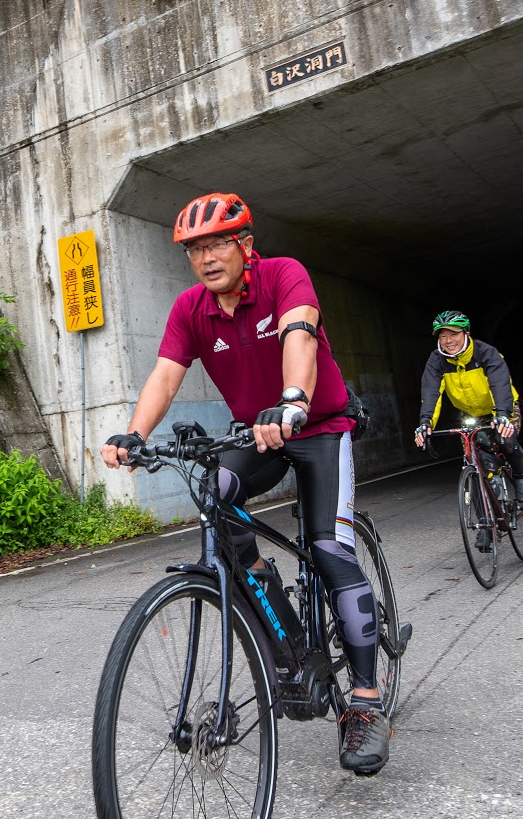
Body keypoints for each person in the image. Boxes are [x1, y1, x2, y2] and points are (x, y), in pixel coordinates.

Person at [101, 192, 392, 776]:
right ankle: (270, 615)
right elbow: (166, 373)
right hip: (255, 433)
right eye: (195, 250)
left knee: (331, 549)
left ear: (245, 246)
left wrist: (292, 402)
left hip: (316, 426)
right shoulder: (191, 309)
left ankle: (364, 700)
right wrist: (133, 434)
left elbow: (299, 338)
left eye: (217, 244)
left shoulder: (285, 275)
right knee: (216, 497)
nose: (207, 258)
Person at [413, 310, 523, 535]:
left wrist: (502, 414)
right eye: (442, 336)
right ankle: (484, 525)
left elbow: (499, 384)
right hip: (471, 413)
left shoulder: (486, 352)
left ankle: (519, 477)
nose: (448, 341)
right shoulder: (436, 360)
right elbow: (431, 392)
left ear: (466, 333)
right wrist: (425, 422)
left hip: (502, 407)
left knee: (506, 440)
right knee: (473, 461)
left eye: (453, 334)